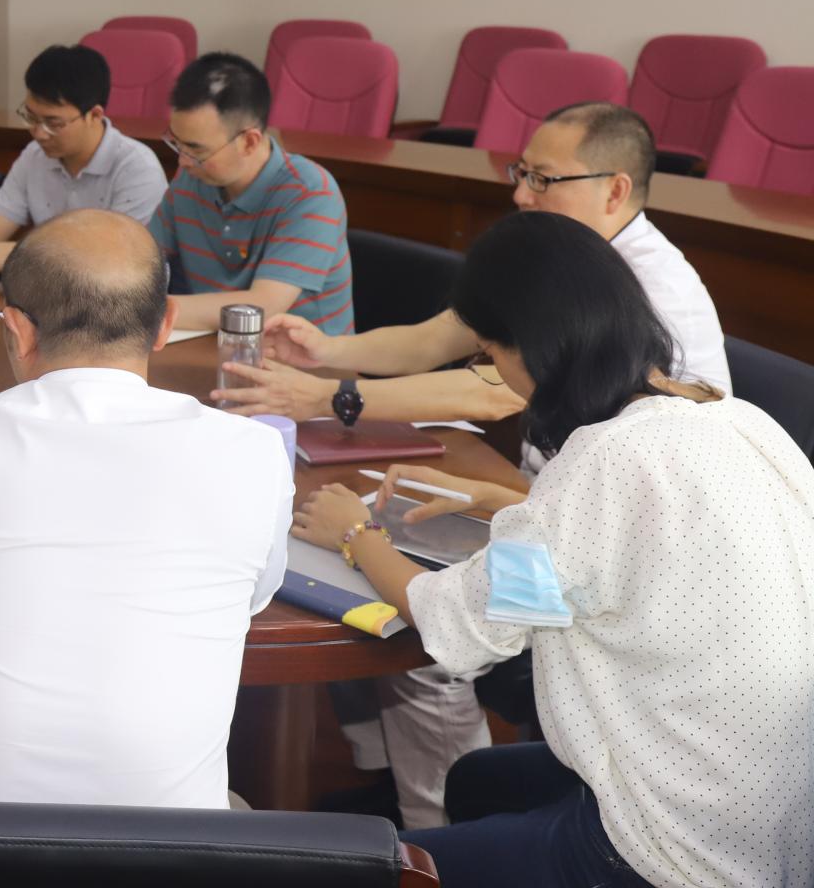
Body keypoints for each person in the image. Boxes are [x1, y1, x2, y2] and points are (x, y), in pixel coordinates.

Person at [293, 212, 814, 888]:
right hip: (770, 804)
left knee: (360, 871)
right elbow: (635, 544)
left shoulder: (604, 460)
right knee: (475, 782)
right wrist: (501, 501)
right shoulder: (737, 418)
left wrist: (354, 534)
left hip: (677, 849)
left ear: (533, 346)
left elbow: (461, 622)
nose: (496, 373)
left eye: (489, 353)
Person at [0, 209, 293, 805]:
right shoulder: (254, 453)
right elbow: (253, 598)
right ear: (165, 324)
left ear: (17, 330)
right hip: (173, 850)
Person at [212, 103, 731, 433]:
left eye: (544, 180)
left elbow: (494, 392)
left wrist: (328, 396)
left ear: (615, 190)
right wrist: (326, 350)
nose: (521, 195)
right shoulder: (561, 256)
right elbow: (435, 339)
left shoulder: (651, 287)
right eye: (521, 173)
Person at [148, 52, 355, 333]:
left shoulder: (311, 194)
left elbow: (262, 306)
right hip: (216, 345)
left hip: (300, 357)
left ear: (249, 142)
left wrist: (140, 311)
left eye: (196, 149)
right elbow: (144, 259)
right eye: (176, 143)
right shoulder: (191, 177)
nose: (182, 161)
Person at [0, 44, 165, 278]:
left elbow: (116, 257)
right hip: (50, 290)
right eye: (31, 117)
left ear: (94, 115)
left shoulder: (137, 168)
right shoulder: (35, 156)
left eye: (53, 123)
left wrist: (20, 254)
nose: (39, 133)